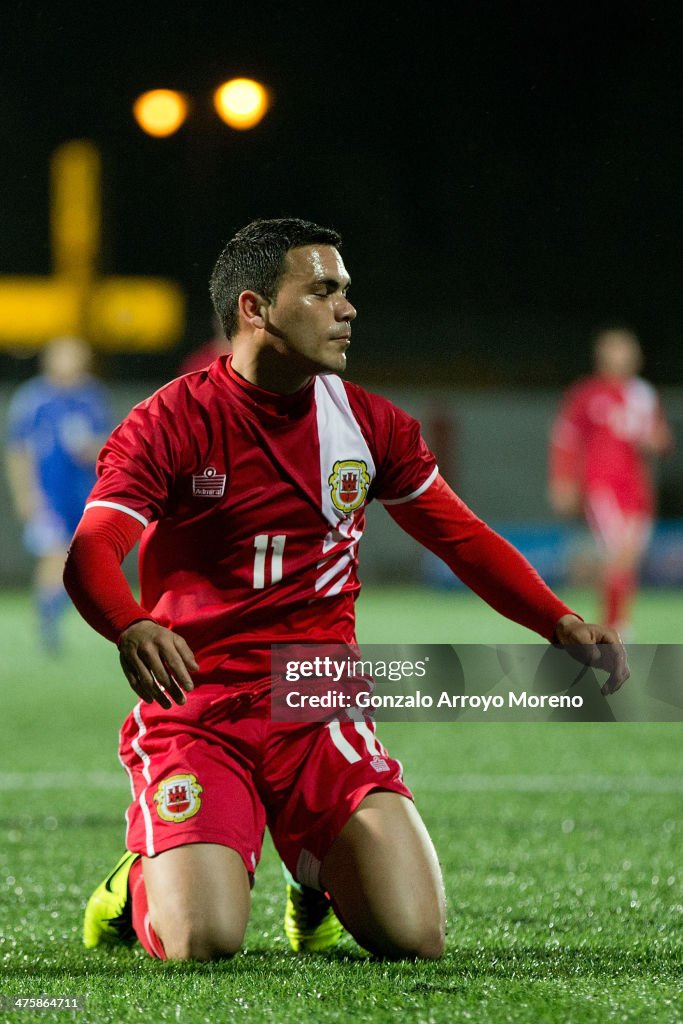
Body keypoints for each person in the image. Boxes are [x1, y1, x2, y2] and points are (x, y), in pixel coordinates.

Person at [63, 218, 629, 963]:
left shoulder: (369, 424)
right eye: (322, 289)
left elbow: (458, 537)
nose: (346, 308)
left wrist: (557, 621)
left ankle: (313, 877)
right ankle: (137, 877)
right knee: (202, 939)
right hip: (199, 710)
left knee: (413, 938)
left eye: (346, 291)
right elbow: (92, 551)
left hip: (316, 700)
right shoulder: (168, 422)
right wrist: (130, 624)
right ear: (254, 308)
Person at [549, 325, 675, 637]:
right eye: (614, 348)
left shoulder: (643, 395)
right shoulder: (586, 393)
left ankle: (614, 625)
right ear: (601, 355)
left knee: (628, 558)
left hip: (636, 488)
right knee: (620, 553)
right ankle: (614, 629)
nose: (620, 355)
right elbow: (566, 439)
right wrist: (562, 480)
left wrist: (655, 441)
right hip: (602, 485)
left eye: (626, 348)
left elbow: (662, 440)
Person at [5, 335, 112, 652]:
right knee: (54, 555)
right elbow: (18, 452)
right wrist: (25, 495)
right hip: (48, 495)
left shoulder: (91, 396)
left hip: (82, 494)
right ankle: (47, 621)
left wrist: (90, 448)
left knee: (77, 562)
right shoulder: (33, 399)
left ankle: (53, 612)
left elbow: (107, 445)